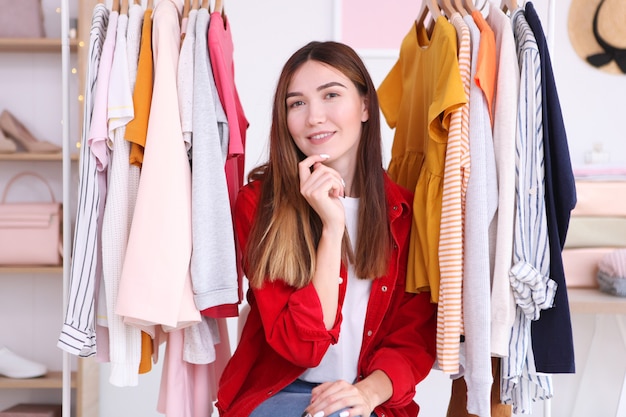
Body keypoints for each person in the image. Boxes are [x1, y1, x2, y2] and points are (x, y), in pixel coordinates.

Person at [216, 41, 437, 417]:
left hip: (367, 395)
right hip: (277, 391)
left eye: (330, 95)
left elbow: (413, 338)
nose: (314, 117)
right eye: (297, 103)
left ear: (365, 106)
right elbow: (302, 348)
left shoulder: (407, 212)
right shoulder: (259, 205)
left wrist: (366, 394)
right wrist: (332, 230)